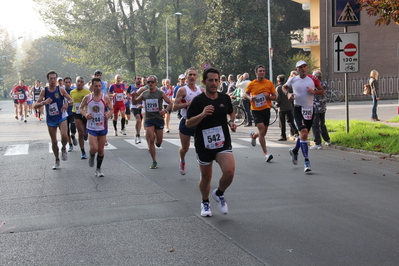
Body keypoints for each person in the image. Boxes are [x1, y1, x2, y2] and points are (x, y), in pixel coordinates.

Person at [186, 67, 237, 217]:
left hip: (222, 141)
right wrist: (202, 114)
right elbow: (188, 123)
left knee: (229, 172)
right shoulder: (198, 101)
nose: (214, 83)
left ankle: (219, 193)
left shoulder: (224, 98)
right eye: (210, 80)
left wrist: (232, 121)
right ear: (204, 82)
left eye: (216, 80)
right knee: (206, 177)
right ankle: (205, 201)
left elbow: (230, 111)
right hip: (204, 143)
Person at [283, 61, 324, 172]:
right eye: (300, 67)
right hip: (298, 108)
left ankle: (295, 150)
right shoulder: (293, 79)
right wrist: (289, 94)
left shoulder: (313, 79)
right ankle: (306, 161)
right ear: (297, 69)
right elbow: (284, 87)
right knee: (304, 132)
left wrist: (314, 92)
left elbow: (322, 91)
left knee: (303, 135)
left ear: (307, 68)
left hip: (309, 109)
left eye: (304, 67)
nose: (303, 69)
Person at [34, 70, 74, 170]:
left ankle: (64, 147)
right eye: (51, 78)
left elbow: (71, 100)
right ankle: (56, 160)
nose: (53, 80)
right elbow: (34, 105)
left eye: (54, 78)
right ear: (48, 79)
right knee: (54, 141)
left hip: (61, 117)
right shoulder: (44, 91)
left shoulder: (60, 89)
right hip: (51, 119)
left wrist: (66, 104)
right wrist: (44, 102)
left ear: (56, 79)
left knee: (64, 136)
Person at [132, 75, 172, 169]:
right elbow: (134, 102)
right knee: (150, 139)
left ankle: (157, 142)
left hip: (158, 119)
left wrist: (165, 111)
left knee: (159, 141)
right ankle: (154, 160)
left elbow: (170, 103)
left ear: (156, 83)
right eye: (148, 82)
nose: (150, 83)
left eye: (152, 82)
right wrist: (133, 97)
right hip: (148, 119)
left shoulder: (160, 93)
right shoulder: (144, 93)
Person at [79, 78, 113, 177]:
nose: (98, 88)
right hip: (91, 127)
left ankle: (98, 169)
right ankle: (91, 154)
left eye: (99, 86)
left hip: (102, 127)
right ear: (92, 86)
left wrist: (108, 114)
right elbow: (80, 108)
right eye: (96, 86)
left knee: (101, 149)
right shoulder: (88, 97)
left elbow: (111, 109)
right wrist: (85, 115)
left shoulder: (105, 97)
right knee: (94, 148)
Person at [173, 67, 204, 175]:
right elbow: (175, 106)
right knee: (185, 148)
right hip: (186, 122)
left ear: (197, 77)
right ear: (186, 77)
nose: (192, 76)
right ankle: (182, 161)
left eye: (194, 75)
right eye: (189, 74)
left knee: (201, 148)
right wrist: (188, 104)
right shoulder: (183, 90)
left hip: (199, 122)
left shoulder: (202, 91)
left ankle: (203, 170)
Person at [246, 64, 277, 162]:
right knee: (262, 131)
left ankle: (254, 135)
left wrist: (268, 96)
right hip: (255, 110)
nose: (262, 72)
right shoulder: (252, 84)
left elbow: (275, 96)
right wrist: (250, 98)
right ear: (256, 73)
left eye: (263, 71)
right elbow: (245, 94)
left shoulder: (269, 83)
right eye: (260, 71)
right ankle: (266, 153)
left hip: (266, 109)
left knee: (263, 132)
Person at [70, 76, 91, 158]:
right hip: (76, 113)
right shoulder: (72, 92)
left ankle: (86, 135)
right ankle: (83, 151)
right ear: (76, 82)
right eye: (78, 81)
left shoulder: (87, 92)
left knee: (85, 132)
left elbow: (90, 102)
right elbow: (71, 101)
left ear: (83, 83)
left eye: (81, 81)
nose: (79, 83)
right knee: (80, 132)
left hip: (85, 113)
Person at [310, 70, 331, 149]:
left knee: (315, 125)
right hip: (323, 106)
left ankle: (317, 143)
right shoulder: (325, 83)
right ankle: (327, 140)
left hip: (315, 106)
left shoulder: (314, 84)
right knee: (322, 124)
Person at [275, 74, 298, 141]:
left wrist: (277, 104)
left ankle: (283, 135)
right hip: (289, 106)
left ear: (278, 80)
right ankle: (296, 132)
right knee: (290, 120)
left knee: (282, 122)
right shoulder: (288, 87)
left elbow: (278, 98)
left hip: (282, 107)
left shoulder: (278, 88)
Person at [127, 75, 144, 144]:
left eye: (140, 79)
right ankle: (138, 135)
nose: (139, 80)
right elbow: (127, 94)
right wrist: (127, 97)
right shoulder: (131, 87)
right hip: (134, 106)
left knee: (140, 121)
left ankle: (137, 133)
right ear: (135, 80)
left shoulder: (143, 88)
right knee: (138, 119)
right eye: (137, 79)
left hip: (142, 106)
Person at [64, 77, 77, 152]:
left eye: (69, 82)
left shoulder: (73, 91)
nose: (68, 84)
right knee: (66, 131)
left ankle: (73, 136)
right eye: (66, 82)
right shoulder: (62, 91)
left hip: (72, 112)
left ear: (71, 83)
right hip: (64, 114)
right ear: (64, 83)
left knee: (73, 128)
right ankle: (70, 145)